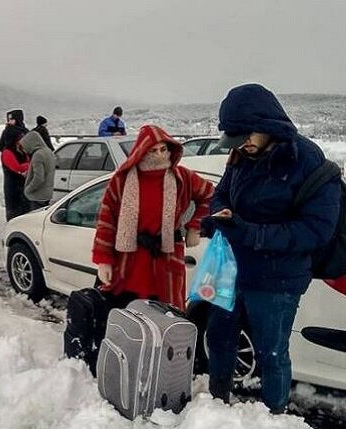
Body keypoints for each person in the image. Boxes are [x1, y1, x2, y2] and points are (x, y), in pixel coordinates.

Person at [203, 83, 341, 414]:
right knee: (219, 340)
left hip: (278, 280)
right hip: (231, 270)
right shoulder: (241, 156)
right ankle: (214, 409)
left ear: (267, 125)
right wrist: (218, 215)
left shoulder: (309, 163)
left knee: (272, 352)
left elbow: (316, 230)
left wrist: (251, 232)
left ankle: (275, 416)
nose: (242, 145)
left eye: (246, 136)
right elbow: (221, 193)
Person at [92, 124, 214, 310]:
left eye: (163, 149)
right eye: (152, 150)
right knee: (127, 316)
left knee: (165, 316)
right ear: (141, 152)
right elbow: (107, 221)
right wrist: (104, 260)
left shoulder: (182, 177)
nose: (159, 155)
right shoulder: (122, 180)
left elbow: (211, 196)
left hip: (166, 259)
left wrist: (195, 226)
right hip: (129, 262)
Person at [1, 128, 30, 221]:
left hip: (23, 185)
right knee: (15, 213)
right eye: (19, 138)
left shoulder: (21, 149)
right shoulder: (7, 152)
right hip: (13, 186)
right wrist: (29, 165)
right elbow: (16, 167)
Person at [21, 131, 55, 210]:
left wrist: (28, 190)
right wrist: (29, 173)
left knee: (34, 219)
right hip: (47, 194)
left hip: (37, 196)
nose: (25, 150)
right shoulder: (48, 152)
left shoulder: (38, 155)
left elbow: (39, 178)